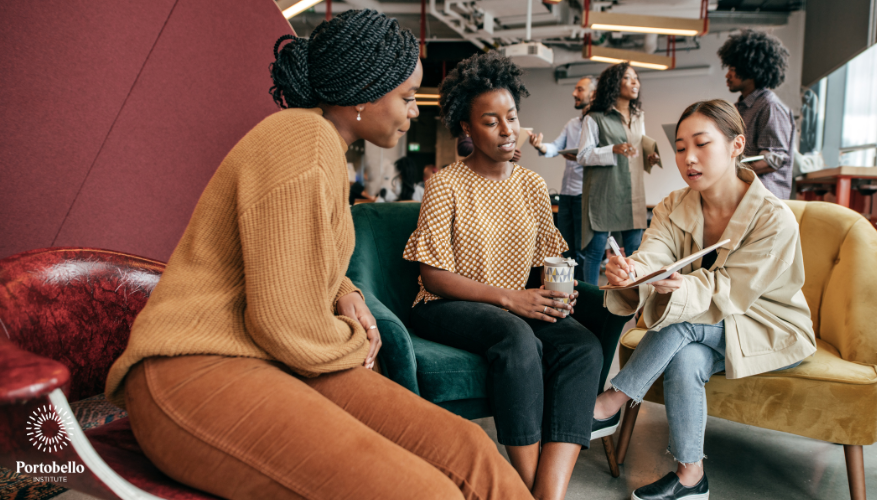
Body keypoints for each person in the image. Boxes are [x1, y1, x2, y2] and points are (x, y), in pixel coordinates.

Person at [103, 10, 531, 500]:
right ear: (363, 94)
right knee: (426, 492)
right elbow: (285, 324)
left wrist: (346, 291)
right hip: (193, 369)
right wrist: (357, 341)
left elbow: (301, 254)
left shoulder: (320, 143)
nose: (415, 111)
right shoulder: (303, 142)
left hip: (268, 356)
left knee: (471, 450)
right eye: (408, 97)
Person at [403, 52, 604, 500]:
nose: (507, 129)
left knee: (582, 346)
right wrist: (512, 299)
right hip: (445, 305)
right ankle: (527, 491)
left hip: (513, 304)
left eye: (511, 117)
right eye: (491, 121)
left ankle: (548, 492)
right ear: (467, 128)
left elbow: (545, 260)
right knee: (516, 337)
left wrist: (557, 291)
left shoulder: (531, 185)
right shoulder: (446, 184)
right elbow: (433, 277)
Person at [594, 100, 816, 500]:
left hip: (768, 326)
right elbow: (654, 254)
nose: (688, 158)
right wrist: (632, 272)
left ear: (736, 146)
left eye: (701, 144)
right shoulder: (672, 204)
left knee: (683, 320)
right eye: (680, 148)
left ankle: (613, 400)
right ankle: (691, 477)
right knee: (686, 357)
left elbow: (731, 290)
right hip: (710, 326)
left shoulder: (774, 218)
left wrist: (678, 288)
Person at [576, 62, 659, 285]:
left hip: (632, 192)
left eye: (636, 78)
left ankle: (634, 296)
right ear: (614, 84)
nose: (635, 82)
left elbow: (636, 150)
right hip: (604, 192)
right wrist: (612, 149)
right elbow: (582, 155)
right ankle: (591, 299)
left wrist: (649, 157)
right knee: (595, 251)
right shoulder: (594, 117)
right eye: (628, 78)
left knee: (635, 251)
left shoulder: (638, 116)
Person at [526, 76, 597, 273]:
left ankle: (581, 290)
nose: (574, 93)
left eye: (580, 89)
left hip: (586, 196)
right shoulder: (572, 124)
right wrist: (540, 146)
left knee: (583, 252)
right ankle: (568, 289)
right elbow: (555, 147)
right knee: (566, 251)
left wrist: (581, 157)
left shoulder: (598, 123)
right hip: (566, 195)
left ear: (594, 94)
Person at [718, 29, 796, 199]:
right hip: (743, 194)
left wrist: (731, 171)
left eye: (733, 69)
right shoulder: (738, 108)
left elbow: (773, 160)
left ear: (751, 70)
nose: (727, 75)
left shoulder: (770, 106)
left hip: (764, 199)